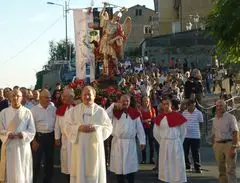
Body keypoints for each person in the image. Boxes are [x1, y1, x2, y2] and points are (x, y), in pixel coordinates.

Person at [64, 86, 113, 183]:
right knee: (79, 173)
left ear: (94, 96)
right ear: (81, 96)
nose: (87, 97)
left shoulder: (100, 111)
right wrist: (78, 128)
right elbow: (66, 126)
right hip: (79, 149)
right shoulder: (73, 111)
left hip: (94, 149)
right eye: (84, 94)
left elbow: (109, 127)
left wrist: (96, 129)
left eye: (89, 94)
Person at [106, 94, 146, 183]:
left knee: (130, 167)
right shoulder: (114, 111)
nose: (125, 102)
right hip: (118, 143)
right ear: (119, 101)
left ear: (130, 102)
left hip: (130, 143)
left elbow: (139, 128)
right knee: (119, 167)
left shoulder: (135, 112)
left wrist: (142, 141)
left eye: (127, 101)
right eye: (123, 100)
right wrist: (113, 105)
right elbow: (104, 116)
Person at [0, 89, 36, 183]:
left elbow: (32, 130)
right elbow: (0, 130)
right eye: (13, 96)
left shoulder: (27, 112)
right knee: (10, 171)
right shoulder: (3, 113)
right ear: (9, 97)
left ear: (22, 98)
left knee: (22, 170)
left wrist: (23, 134)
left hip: (22, 146)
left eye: (18, 96)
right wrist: (7, 134)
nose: (15, 98)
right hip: (9, 146)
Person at [153, 97, 187, 183]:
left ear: (171, 105)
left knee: (176, 163)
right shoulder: (159, 118)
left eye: (167, 104)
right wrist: (163, 141)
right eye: (164, 104)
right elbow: (156, 133)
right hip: (164, 143)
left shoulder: (177, 116)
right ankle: (166, 179)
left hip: (176, 143)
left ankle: (177, 180)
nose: (166, 106)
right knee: (165, 163)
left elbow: (183, 131)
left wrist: (179, 141)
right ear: (162, 106)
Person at [31, 89, 56, 183]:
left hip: (50, 137)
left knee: (49, 161)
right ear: (40, 98)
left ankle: (47, 180)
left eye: (50, 97)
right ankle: (33, 180)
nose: (49, 99)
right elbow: (31, 126)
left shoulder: (53, 109)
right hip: (39, 137)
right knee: (36, 162)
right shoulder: (34, 110)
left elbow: (56, 124)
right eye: (46, 97)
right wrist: (33, 141)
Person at [212, 100, 239, 183]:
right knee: (221, 170)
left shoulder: (231, 117)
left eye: (221, 106)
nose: (219, 107)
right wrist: (214, 145)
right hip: (218, 145)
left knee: (231, 170)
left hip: (229, 144)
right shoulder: (215, 119)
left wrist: (234, 147)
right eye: (217, 106)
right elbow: (213, 133)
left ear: (225, 106)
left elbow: (235, 132)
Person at [55, 88, 75, 182]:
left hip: (74, 140)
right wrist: (57, 138)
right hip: (64, 139)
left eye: (65, 96)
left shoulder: (77, 109)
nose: (63, 98)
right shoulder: (60, 109)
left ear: (71, 97)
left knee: (74, 163)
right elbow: (57, 125)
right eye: (63, 96)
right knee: (66, 163)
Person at [182, 100, 204, 173]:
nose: (192, 106)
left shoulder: (199, 113)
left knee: (195, 152)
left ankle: (197, 167)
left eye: (193, 105)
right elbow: (182, 123)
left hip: (195, 136)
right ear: (188, 105)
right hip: (185, 136)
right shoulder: (184, 113)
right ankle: (187, 165)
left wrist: (198, 131)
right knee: (185, 152)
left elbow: (201, 123)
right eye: (190, 105)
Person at [139, 96, 156, 164]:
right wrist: (144, 121)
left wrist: (149, 120)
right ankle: (143, 159)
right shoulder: (140, 109)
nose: (146, 102)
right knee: (143, 143)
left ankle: (151, 159)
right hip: (142, 128)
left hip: (150, 128)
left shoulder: (152, 109)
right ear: (142, 102)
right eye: (144, 101)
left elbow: (154, 119)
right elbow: (139, 120)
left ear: (149, 102)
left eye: (147, 101)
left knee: (151, 144)